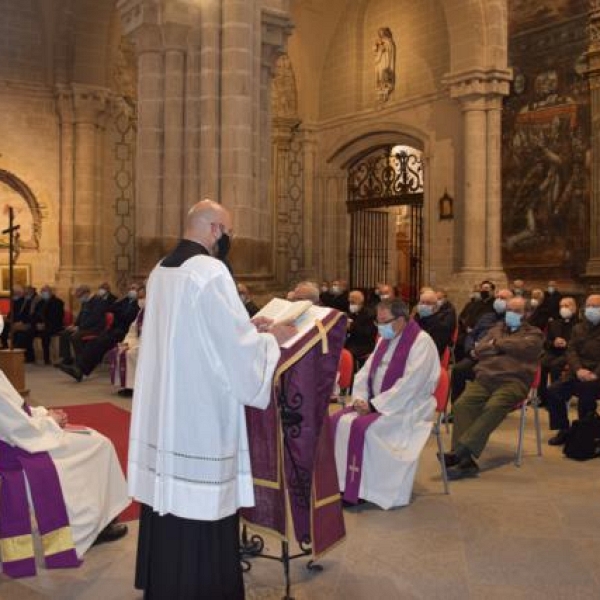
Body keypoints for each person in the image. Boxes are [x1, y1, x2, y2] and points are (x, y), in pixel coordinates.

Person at [129, 199, 296, 599]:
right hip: (198, 415)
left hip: (167, 411)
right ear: (216, 230)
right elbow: (236, 352)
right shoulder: (210, 271)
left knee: (168, 498)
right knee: (201, 501)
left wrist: (246, 326)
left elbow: (200, 331)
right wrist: (271, 339)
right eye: (229, 232)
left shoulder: (161, 270)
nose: (229, 241)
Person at [0, 369, 129, 577]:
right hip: (15, 450)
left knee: (91, 440)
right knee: (99, 444)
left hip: (17, 438)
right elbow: (18, 428)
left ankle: (98, 517)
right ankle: (92, 524)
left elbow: (15, 412)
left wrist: (43, 414)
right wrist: (50, 421)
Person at [331, 298, 440, 509]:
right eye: (377, 322)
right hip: (377, 400)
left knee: (368, 430)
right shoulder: (384, 339)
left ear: (400, 320)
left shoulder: (421, 342)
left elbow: (411, 383)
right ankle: (344, 483)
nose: (380, 326)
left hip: (409, 405)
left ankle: (368, 489)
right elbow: (365, 372)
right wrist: (361, 399)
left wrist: (375, 405)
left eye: (384, 321)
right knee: (338, 422)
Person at [444, 297, 543, 479]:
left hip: (514, 382)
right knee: (462, 405)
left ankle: (460, 452)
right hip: (486, 378)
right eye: (509, 309)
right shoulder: (497, 328)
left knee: (493, 406)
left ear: (527, 314)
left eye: (517, 311)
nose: (511, 314)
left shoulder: (535, 334)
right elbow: (479, 349)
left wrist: (496, 345)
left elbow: (524, 347)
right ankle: (465, 462)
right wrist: (500, 347)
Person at [58, 283, 141, 382]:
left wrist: (120, 310)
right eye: (130, 288)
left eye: (135, 289)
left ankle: (80, 368)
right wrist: (122, 302)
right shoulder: (126, 300)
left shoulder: (140, 304)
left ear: (141, 291)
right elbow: (111, 308)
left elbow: (128, 316)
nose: (131, 291)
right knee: (95, 342)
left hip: (126, 331)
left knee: (100, 342)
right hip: (115, 329)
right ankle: (79, 368)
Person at [546, 294, 600, 446]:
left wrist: (595, 374)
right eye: (589, 306)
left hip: (597, 374)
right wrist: (578, 370)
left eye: (595, 307)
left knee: (586, 392)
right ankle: (563, 429)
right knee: (553, 391)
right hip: (578, 371)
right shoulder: (578, 328)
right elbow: (571, 351)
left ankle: (585, 433)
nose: (591, 310)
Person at [451, 289, 514, 403]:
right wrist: (470, 350)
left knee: (485, 373)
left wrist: (485, 350)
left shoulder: (511, 320)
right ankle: (456, 409)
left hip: (494, 359)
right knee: (458, 369)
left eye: (503, 298)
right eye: (498, 297)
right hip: (475, 355)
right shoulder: (487, 317)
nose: (499, 300)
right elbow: (471, 335)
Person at [539, 296, 579, 404]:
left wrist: (567, 343)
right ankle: (542, 397)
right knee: (541, 364)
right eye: (561, 306)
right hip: (553, 352)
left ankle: (556, 397)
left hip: (569, 354)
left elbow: (581, 344)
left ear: (574, 308)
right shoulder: (554, 323)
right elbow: (545, 342)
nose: (563, 308)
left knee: (555, 366)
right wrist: (554, 343)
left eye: (566, 305)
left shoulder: (580, 324)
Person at [57, 285, 109, 366]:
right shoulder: (85, 302)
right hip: (84, 327)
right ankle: (67, 358)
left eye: (80, 296)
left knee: (75, 336)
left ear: (86, 293)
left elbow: (94, 318)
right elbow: (81, 316)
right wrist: (74, 325)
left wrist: (79, 328)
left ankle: (81, 361)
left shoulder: (98, 301)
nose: (79, 298)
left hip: (95, 328)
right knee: (64, 333)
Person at [111, 287, 146, 397]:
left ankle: (134, 387)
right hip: (136, 342)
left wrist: (133, 346)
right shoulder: (141, 312)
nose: (140, 301)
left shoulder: (156, 313)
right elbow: (132, 330)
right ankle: (126, 385)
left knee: (131, 354)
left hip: (146, 345)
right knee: (119, 350)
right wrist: (127, 343)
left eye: (142, 297)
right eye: (139, 298)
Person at [414, 288, 454, 357]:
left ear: (435, 307)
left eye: (428, 303)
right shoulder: (417, 320)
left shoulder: (440, 327)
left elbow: (434, 352)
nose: (424, 306)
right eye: (422, 302)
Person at [31, 284, 65, 364]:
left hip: (54, 325)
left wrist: (44, 324)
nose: (43, 293)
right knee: (29, 332)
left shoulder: (58, 302)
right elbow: (35, 315)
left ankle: (47, 358)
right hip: (41, 325)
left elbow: (57, 317)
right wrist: (37, 324)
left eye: (45, 291)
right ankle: (31, 357)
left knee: (45, 334)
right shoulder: (40, 302)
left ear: (50, 292)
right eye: (42, 291)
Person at [345, 289, 377, 365]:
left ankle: (351, 375)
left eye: (353, 302)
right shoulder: (352, 313)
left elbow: (367, 333)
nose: (351, 305)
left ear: (361, 303)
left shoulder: (369, 314)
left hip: (365, 344)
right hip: (353, 341)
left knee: (348, 353)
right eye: (349, 302)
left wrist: (351, 327)